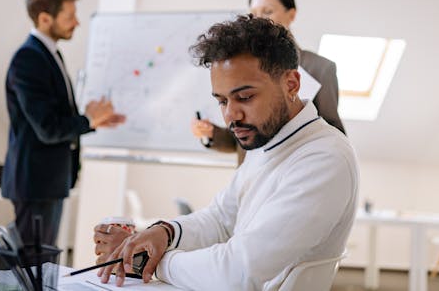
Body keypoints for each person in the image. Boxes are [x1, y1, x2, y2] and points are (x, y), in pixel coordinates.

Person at [94, 15, 358, 290]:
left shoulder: (325, 157)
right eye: (222, 101)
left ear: (291, 84)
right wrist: (164, 232)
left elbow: (237, 273)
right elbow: (220, 220)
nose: (231, 115)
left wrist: (151, 261)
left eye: (244, 97)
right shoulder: (266, 140)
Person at [2, 0, 126, 247]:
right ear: (45, 19)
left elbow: (51, 117)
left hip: (47, 182)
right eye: (70, 16)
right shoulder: (29, 58)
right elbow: (47, 127)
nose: (77, 23)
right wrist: (88, 119)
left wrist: (93, 121)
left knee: (41, 264)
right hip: (36, 185)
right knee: (33, 270)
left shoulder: (47, 54)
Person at [191, 0, 345, 165]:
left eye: (267, 11)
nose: (259, 19)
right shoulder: (242, 65)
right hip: (250, 178)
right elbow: (243, 140)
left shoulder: (320, 68)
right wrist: (211, 134)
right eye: (254, 13)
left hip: (293, 170)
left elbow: (333, 132)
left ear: (291, 14)